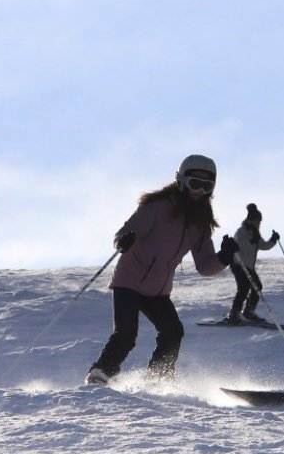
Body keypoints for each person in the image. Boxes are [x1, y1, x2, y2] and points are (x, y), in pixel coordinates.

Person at [86, 154, 240, 386]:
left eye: (206, 186)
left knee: (173, 332)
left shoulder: (200, 222)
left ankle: (158, 378)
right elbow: (126, 232)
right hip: (129, 282)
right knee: (126, 335)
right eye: (194, 183)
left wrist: (224, 257)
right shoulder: (157, 207)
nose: (199, 190)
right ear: (180, 180)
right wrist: (124, 241)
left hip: (157, 291)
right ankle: (101, 372)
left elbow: (205, 266)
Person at [223, 203, 279, 324]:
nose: (259, 224)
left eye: (259, 222)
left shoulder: (254, 232)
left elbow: (263, 246)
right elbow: (240, 245)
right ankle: (234, 313)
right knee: (243, 288)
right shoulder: (242, 231)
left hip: (248, 266)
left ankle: (249, 311)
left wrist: (273, 240)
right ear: (251, 220)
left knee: (257, 286)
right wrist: (252, 242)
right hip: (238, 264)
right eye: (258, 221)